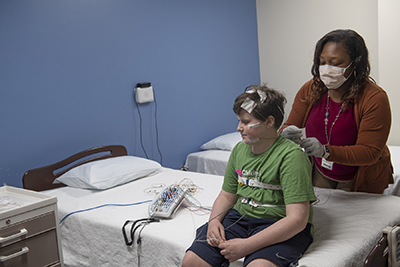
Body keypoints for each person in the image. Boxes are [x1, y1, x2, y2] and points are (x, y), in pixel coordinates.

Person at [182, 85, 316, 267]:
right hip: (241, 218)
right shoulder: (239, 150)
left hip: (279, 223)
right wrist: (213, 222)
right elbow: (227, 195)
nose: (239, 128)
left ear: (269, 122)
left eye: (245, 122)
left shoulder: (291, 156)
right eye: (239, 121)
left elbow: (297, 220)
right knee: (192, 262)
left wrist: (247, 245)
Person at [281, 29, 393, 194]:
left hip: (360, 175)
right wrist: (286, 132)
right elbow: (290, 125)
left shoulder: (374, 98)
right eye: (322, 62)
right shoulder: (311, 89)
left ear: (355, 64)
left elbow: (369, 152)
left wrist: (326, 151)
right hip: (321, 170)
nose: (326, 69)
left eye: (335, 63)